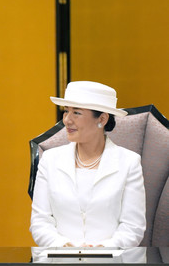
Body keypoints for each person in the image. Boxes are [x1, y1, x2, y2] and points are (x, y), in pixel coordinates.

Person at [30, 81, 146, 247]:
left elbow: (133, 227)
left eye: (76, 113)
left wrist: (102, 250)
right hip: (60, 260)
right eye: (66, 112)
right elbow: (40, 223)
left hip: (111, 261)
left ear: (102, 119)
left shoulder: (129, 163)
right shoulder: (50, 160)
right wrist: (65, 247)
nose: (67, 120)